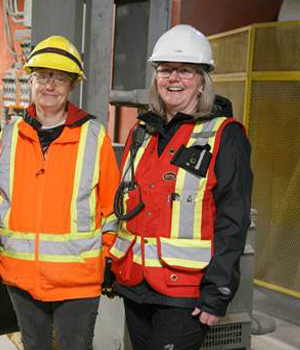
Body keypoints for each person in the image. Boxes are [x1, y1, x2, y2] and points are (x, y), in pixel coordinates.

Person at [105, 24, 253, 350]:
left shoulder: (226, 136)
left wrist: (219, 292)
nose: (173, 79)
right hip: (135, 282)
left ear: (202, 81)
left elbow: (234, 220)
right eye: (165, 70)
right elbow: (124, 205)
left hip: (186, 292)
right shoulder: (142, 131)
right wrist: (111, 263)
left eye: (185, 71)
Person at [0, 35, 120, 350]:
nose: (50, 85)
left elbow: (112, 209)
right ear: (30, 79)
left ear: (72, 85)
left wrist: (105, 258)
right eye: (43, 75)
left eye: (60, 78)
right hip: (21, 277)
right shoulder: (10, 136)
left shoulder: (93, 136)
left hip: (78, 280)